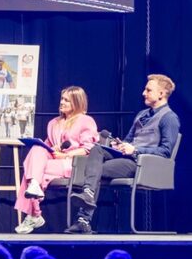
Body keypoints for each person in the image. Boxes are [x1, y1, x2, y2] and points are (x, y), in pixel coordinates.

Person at [65, 74, 180, 234]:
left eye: (148, 90)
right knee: (97, 148)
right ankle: (88, 195)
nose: (143, 93)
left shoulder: (169, 118)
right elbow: (129, 140)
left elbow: (166, 152)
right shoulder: (141, 115)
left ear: (161, 94)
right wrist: (119, 145)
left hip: (142, 164)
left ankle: (83, 219)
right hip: (127, 156)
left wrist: (136, 150)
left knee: (95, 170)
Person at [14, 86, 98, 234]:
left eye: (67, 100)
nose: (62, 102)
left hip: (74, 164)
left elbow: (89, 149)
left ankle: (34, 214)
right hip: (54, 161)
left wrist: (65, 155)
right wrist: (47, 147)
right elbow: (48, 147)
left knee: (34, 170)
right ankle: (34, 186)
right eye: (62, 99)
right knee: (37, 150)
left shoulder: (85, 121)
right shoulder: (53, 123)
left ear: (77, 103)